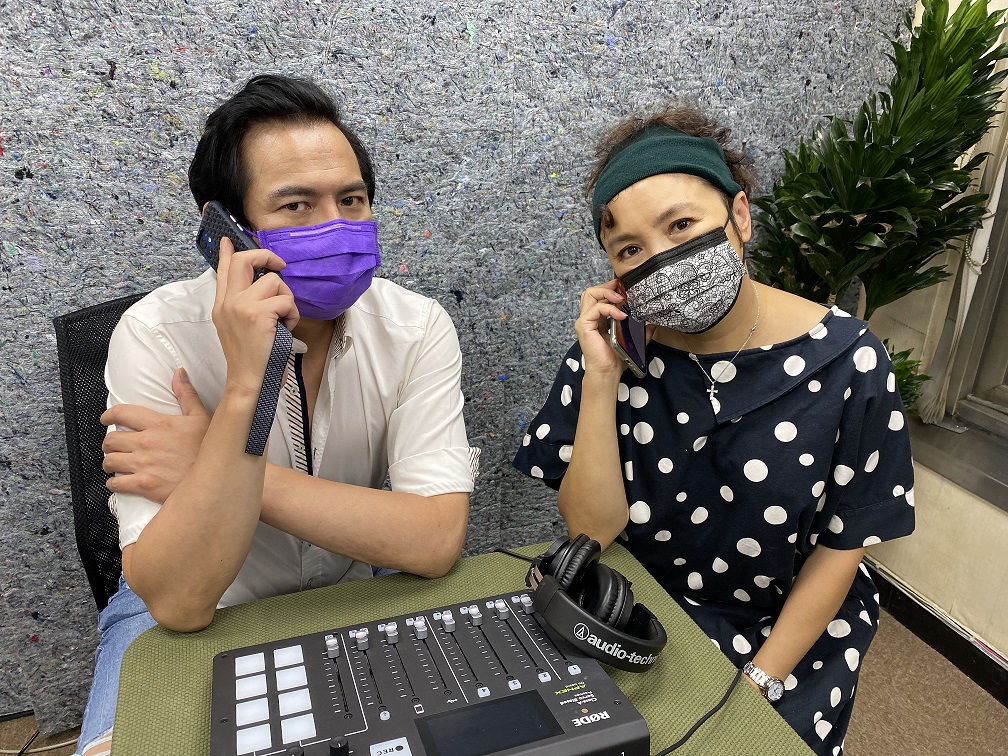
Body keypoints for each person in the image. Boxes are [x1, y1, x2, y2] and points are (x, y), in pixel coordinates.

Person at [73, 74, 476, 756]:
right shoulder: (154, 335)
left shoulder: (417, 327)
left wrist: (212, 463)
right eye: (296, 205)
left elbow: (435, 539)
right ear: (224, 231)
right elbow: (179, 601)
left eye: (351, 200)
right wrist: (243, 391)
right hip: (199, 607)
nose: (336, 226)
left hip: (355, 580)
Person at [513, 107, 915, 756]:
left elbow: (843, 547)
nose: (662, 258)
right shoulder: (616, 353)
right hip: (644, 609)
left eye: (682, 225)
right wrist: (601, 377)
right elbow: (591, 531)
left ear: (740, 216)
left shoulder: (850, 362)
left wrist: (759, 681)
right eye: (630, 249)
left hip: (787, 627)